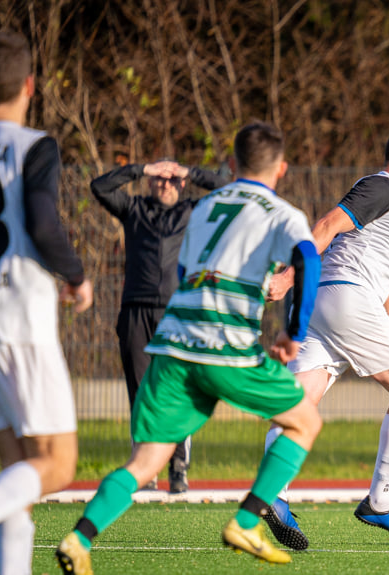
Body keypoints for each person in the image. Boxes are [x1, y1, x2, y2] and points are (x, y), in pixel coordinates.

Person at [55, 121, 322, 573]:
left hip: (173, 342)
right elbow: (308, 261)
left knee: (146, 460)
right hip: (225, 346)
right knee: (304, 422)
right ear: (282, 169)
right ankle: (245, 521)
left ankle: (79, 540)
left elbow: (182, 274)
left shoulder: (203, 209)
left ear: (232, 164)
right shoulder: (281, 211)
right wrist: (294, 334)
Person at [263, 126, 389, 549]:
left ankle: (272, 494)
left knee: (298, 405)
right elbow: (326, 223)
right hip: (344, 296)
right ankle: (379, 502)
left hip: (327, 303)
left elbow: (387, 290)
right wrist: (288, 277)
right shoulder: (384, 186)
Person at [0, 31, 94, 575]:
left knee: (17, 470)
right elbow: (42, 222)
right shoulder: (33, 145)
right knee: (58, 463)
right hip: (19, 316)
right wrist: (75, 274)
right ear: (29, 85)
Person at [91, 157, 227, 493]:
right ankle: (144, 468)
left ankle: (178, 466)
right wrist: (142, 169)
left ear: (181, 184)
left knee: (177, 390)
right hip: (135, 311)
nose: (165, 185)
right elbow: (99, 187)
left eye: (171, 180)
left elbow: (229, 189)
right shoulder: (133, 208)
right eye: (159, 179)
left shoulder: (193, 212)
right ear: (151, 181)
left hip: (177, 312)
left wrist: (190, 172)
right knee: (141, 392)